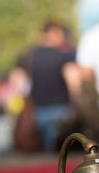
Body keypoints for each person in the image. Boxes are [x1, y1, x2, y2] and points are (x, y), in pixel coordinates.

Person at [10, 21, 77, 151]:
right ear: (54, 33)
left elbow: (17, 81)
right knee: (62, 152)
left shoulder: (28, 55)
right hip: (62, 110)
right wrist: (76, 105)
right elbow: (73, 81)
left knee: (43, 151)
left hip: (37, 112)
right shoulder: (64, 56)